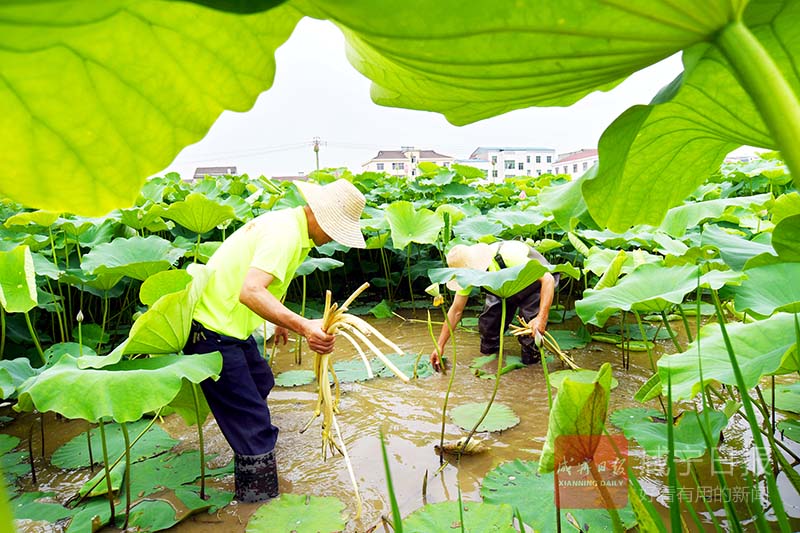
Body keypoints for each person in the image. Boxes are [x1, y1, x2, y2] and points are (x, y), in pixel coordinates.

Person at [184, 179, 366, 503]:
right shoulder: (285, 233)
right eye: (336, 229)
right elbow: (250, 291)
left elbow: (262, 283)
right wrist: (303, 326)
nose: (334, 238)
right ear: (322, 218)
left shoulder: (291, 227)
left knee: (261, 381)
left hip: (229, 327)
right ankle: (258, 505)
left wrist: (277, 320)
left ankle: (247, 447)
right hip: (212, 333)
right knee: (256, 430)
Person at [430, 240, 558, 372]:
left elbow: (548, 279)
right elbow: (456, 310)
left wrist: (541, 318)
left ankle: (532, 371)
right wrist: (440, 345)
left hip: (536, 286)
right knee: (488, 327)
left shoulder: (508, 255)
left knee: (530, 337)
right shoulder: (468, 274)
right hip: (503, 289)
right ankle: (491, 368)